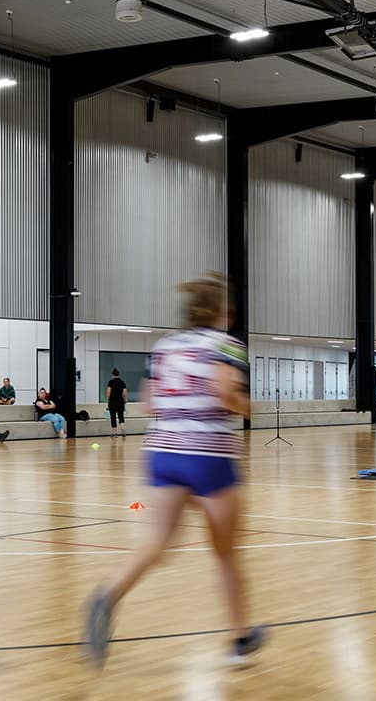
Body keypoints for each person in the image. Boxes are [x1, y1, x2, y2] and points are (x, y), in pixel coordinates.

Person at [84, 275, 264, 669]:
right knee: (227, 553)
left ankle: (107, 596)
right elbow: (225, 393)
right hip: (209, 457)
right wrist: (250, 407)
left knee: (157, 544)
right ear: (224, 313)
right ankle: (240, 637)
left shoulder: (164, 347)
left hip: (163, 452)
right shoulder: (226, 345)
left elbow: (149, 403)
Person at [107, 368, 129, 435]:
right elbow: (125, 392)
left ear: (112, 375)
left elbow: (108, 392)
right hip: (120, 402)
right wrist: (125, 400)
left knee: (113, 417)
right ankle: (123, 431)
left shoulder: (110, 382)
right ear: (118, 374)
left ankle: (114, 433)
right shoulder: (122, 382)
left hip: (112, 402)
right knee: (121, 416)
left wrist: (108, 400)